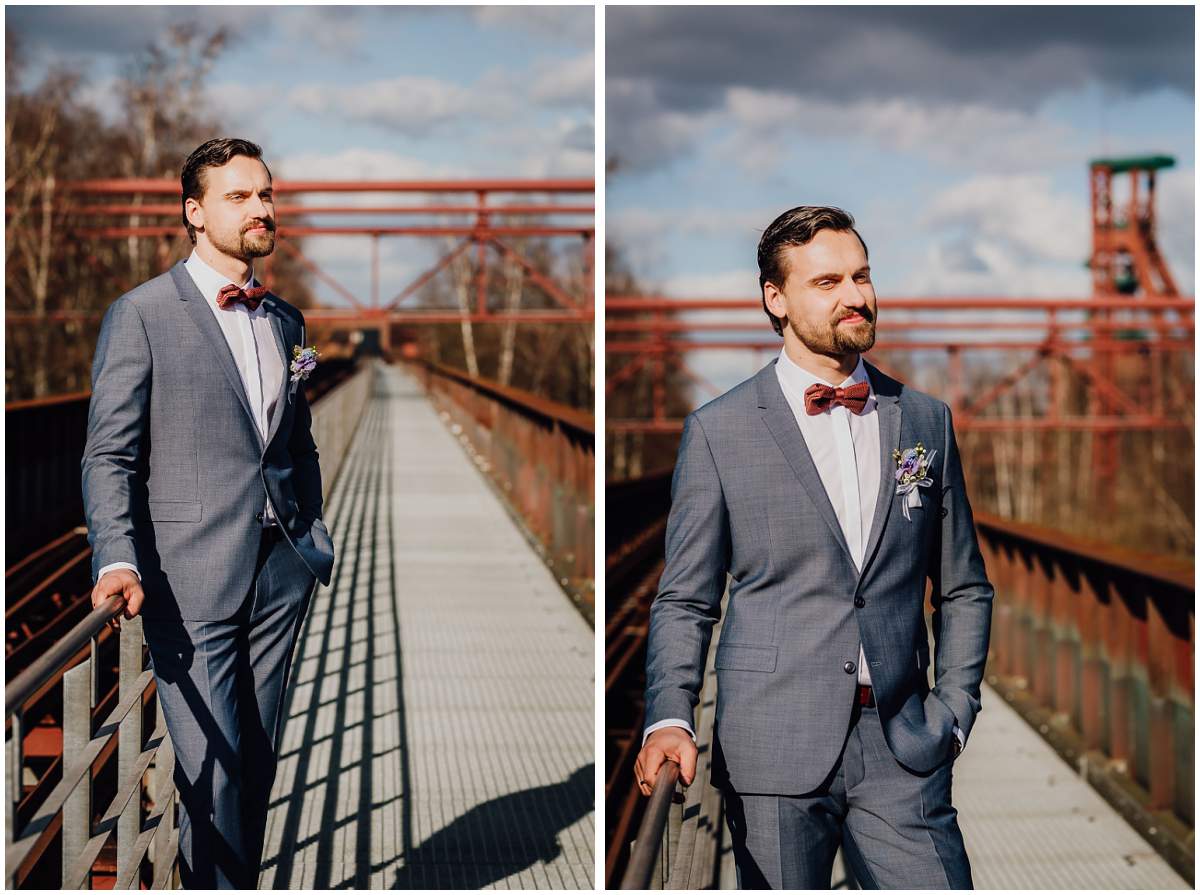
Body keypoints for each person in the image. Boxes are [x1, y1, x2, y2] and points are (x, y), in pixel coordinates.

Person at [634, 206, 993, 889]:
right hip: (772, 746)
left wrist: (954, 713)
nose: (856, 295)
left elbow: (964, 584)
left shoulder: (923, 420)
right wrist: (670, 717)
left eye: (861, 275)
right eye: (828, 281)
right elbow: (685, 597)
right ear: (777, 298)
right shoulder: (719, 431)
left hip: (904, 743)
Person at [82, 137, 335, 888]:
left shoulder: (286, 320)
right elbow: (109, 455)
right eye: (239, 196)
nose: (262, 208)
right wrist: (118, 557)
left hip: (280, 570)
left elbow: (294, 436)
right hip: (188, 578)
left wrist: (311, 535)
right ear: (194, 213)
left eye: (265, 194)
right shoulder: (142, 315)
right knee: (212, 768)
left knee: (253, 764)